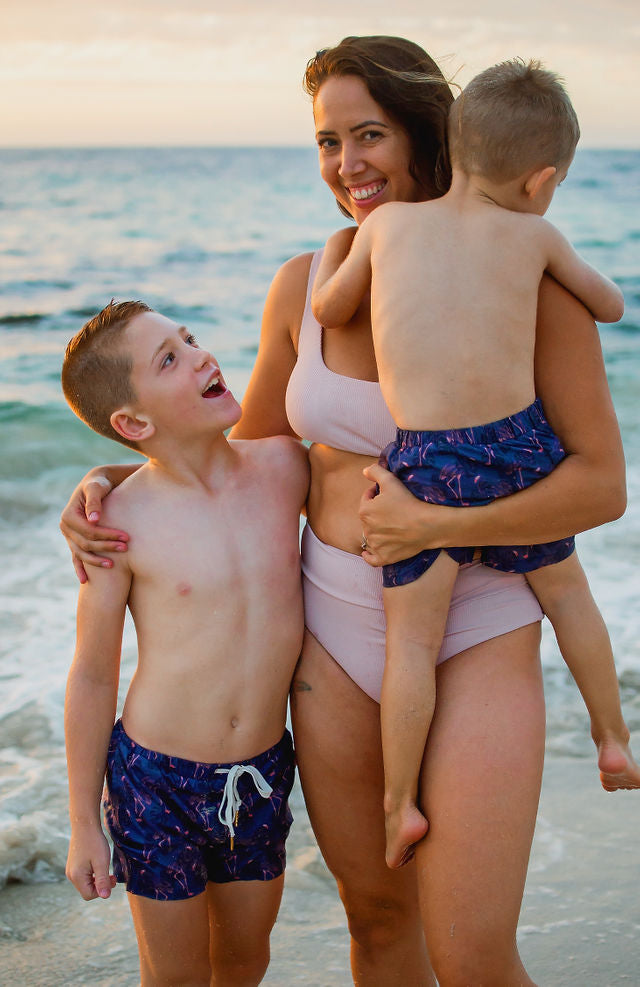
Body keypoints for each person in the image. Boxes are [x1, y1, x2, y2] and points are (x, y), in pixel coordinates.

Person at [60, 37, 628, 987]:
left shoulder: (528, 274)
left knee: (474, 953)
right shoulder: (306, 284)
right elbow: (238, 462)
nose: (348, 164)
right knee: (377, 919)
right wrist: (109, 480)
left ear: (427, 132)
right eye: (328, 141)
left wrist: (437, 528)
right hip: (337, 635)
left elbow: (600, 486)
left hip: (480, 624)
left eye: (369, 134)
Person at [311, 57, 638, 869]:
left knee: (411, 646)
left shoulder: (384, 231)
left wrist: (334, 272)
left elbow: (328, 307)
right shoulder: (535, 234)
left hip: (427, 460)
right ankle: (613, 737)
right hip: (518, 449)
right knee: (569, 598)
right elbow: (610, 303)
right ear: (543, 179)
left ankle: (400, 803)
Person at [61, 301, 308, 986]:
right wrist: (84, 821)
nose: (200, 355)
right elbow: (90, 675)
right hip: (156, 779)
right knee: (175, 976)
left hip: (259, 770)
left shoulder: (286, 467)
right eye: (169, 358)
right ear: (134, 423)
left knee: (244, 960)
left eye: (190, 338)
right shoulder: (118, 521)